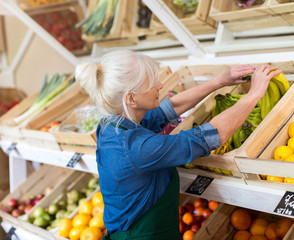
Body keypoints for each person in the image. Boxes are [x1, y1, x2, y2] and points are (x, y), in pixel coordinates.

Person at [75, 50, 281, 240]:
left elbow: (171, 107)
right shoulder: (136, 149)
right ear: (131, 98)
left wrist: (221, 80)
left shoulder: (114, 124)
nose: (160, 86)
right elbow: (212, 135)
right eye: (152, 83)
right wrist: (254, 94)